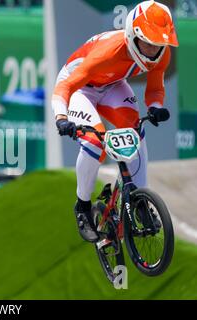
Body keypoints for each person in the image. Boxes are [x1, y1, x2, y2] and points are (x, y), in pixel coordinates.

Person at [51, 1, 178, 242]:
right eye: (147, 43)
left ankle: (140, 199)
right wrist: (61, 118)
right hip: (80, 89)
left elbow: (155, 88)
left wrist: (155, 108)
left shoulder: (163, 52)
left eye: (158, 44)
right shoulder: (107, 53)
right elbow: (65, 86)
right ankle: (82, 207)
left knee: (135, 133)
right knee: (93, 143)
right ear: (132, 34)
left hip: (112, 85)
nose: (153, 50)